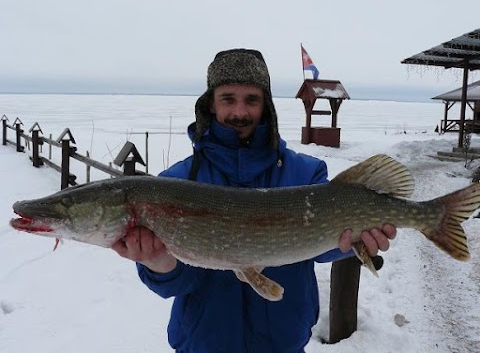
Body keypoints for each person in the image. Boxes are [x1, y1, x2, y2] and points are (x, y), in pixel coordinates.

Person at [112, 48, 397, 352]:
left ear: (266, 106)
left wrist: (355, 244)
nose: (240, 112)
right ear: (211, 103)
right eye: (228, 99)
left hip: (283, 344)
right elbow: (178, 283)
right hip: (203, 344)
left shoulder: (305, 173)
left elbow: (318, 248)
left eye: (251, 100)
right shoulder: (175, 183)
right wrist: (158, 263)